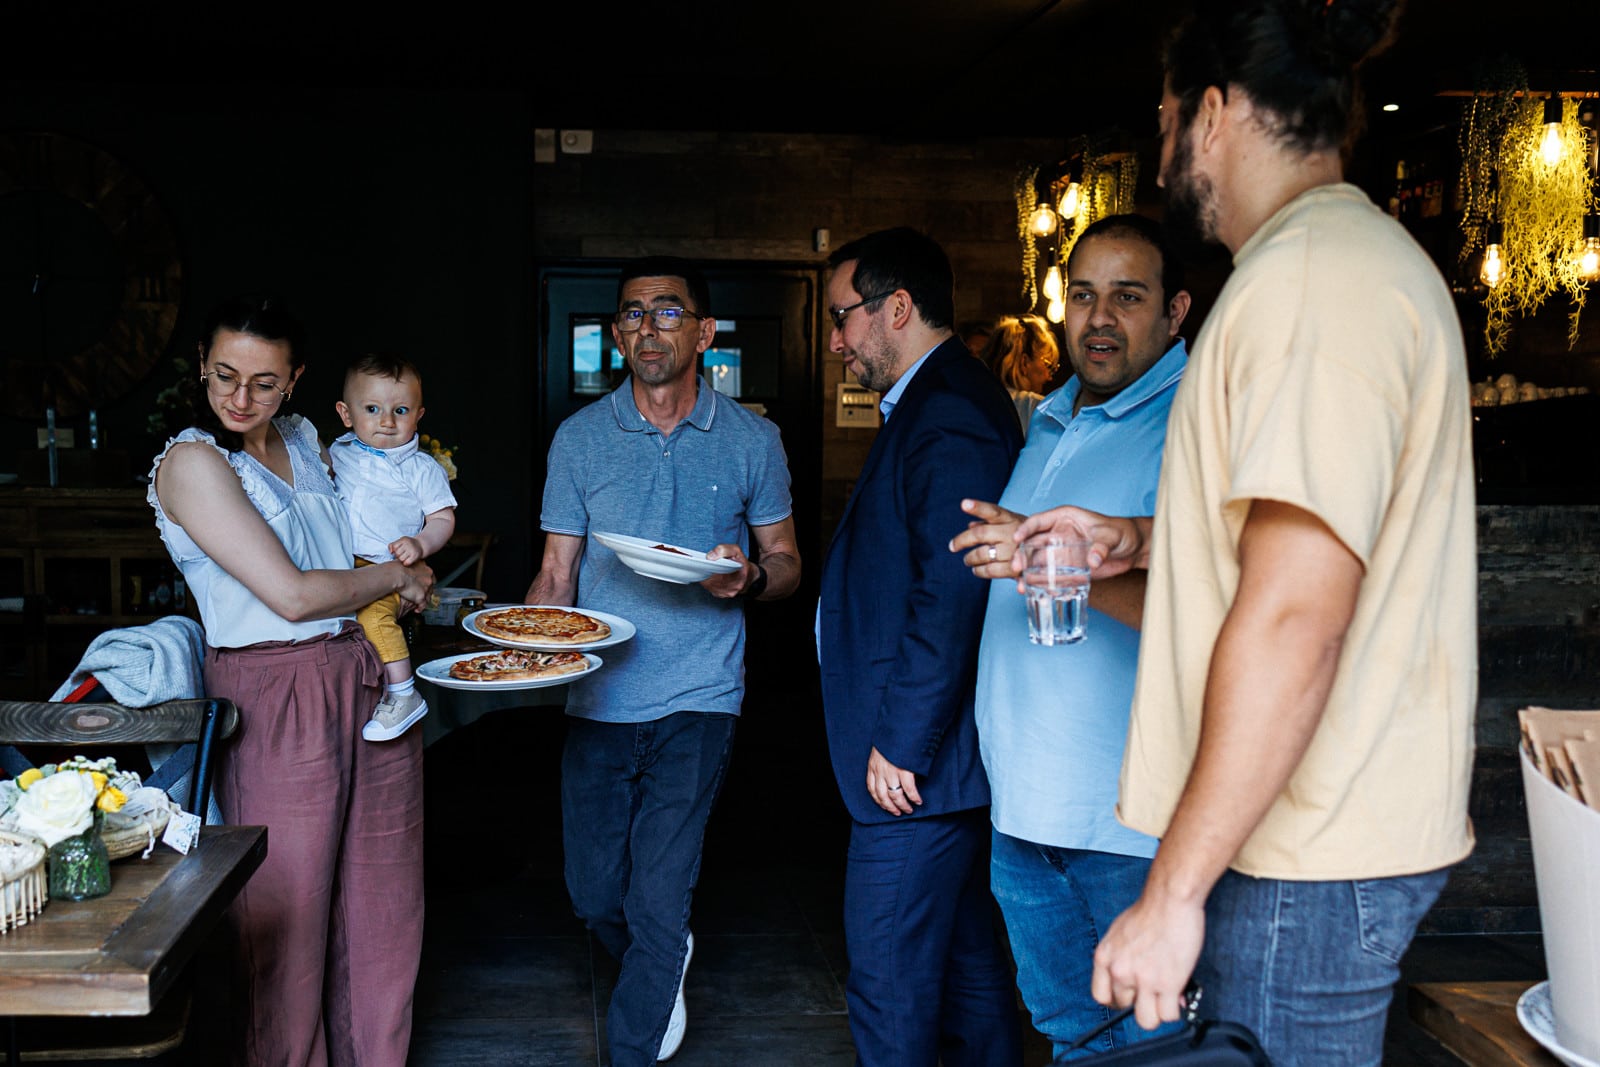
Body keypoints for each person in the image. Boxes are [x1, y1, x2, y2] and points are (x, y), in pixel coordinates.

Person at [1014, 3, 1477, 1063]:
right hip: (1295, 843)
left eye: (1168, 115)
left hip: (1303, 855)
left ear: (1213, 113)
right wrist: (1123, 551)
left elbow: (1295, 614)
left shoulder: (1311, 285)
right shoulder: (1325, 268)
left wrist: (1170, 890)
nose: (1166, 142)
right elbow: (1259, 574)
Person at [526, 256, 800, 1066]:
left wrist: (748, 575)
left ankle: (634, 1043)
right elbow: (555, 572)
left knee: (656, 896)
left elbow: (786, 562)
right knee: (593, 893)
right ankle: (664, 958)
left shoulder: (754, 439)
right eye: (634, 314)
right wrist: (524, 641)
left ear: (706, 332)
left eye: (669, 312)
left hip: (700, 692)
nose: (649, 327)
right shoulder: (579, 439)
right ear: (616, 335)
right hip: (600, 692)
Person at [148, 295, 434, 1067]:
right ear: (201, 363)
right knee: (289, 916)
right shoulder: (192, 462)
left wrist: (411, 553)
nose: (241, 399)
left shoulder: (310, 439)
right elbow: (295, 593)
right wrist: (396, 575)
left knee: (384, 902)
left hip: (367, 675)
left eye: (266, 383)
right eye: (224, 375)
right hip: (274, 690)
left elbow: (381, 513)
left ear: (297, 381)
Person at [948, 214, 1191, 1060]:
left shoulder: (1193, 424)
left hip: (1123, 824)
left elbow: (1207, 612)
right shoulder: (1052, 417)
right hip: (1028, 809)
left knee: (1143, 1045)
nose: (1098, 318)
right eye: (1082, 296)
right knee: (1070, 1034)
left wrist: (1055, 558)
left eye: (1128, 297)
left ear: (1177, 311)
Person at [816, 227, 1024, 1067]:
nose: (835, 339)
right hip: (936, 769)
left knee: (890, 979)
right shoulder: (941, 396)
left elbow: (953, 589)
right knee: (970, 971)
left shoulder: (947, 413)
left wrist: (901, 741)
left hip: (916, 770)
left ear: (894, 307)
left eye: (842, 317)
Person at [330, 353, 458, 742]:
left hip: (385, 569)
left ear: (418, 415)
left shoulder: (422, 469)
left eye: (400, 410)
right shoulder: (336, 455)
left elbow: (443, 519)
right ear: (346, 413)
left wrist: (420, 543)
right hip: (338, 568)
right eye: (372, 409)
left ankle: (403, 693)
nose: (386, 421)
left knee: (374, 619)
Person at [977, 313, 1060, 436]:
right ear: (1024, 363)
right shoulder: (1035, 408)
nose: (1049, 377)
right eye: (1048, 366)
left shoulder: (967, 401)